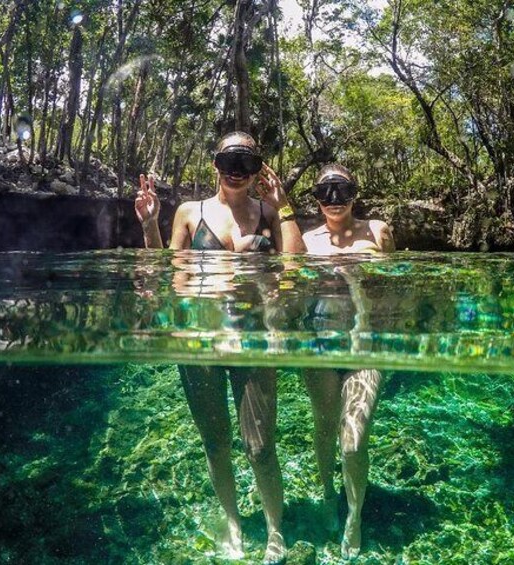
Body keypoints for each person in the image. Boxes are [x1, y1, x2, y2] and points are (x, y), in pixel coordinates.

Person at [134, 131, 304, 564]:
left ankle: (274, 530)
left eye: (246, 162)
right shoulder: (190, 213)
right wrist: (150, 224)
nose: (236, 170)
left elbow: (297, 267)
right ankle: (232, 523)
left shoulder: (269, 213)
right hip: (201, 339)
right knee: (216, 443)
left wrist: (284, 206)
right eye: (228, 160)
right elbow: (169, 274)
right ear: (214, 164)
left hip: (253, 340)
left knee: (261, 446)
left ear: (258, 169)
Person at [300, 164, 395, 558]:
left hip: (365, 347)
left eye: (342, 191)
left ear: (355, 193)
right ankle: (327, 495)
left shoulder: (378, 231)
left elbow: (393, 289)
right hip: (320, 347)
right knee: (324, 428)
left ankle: (354, 516)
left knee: (353, 441)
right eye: (325, 192)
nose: (334, 201)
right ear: (316, 198)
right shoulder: (306, 240)